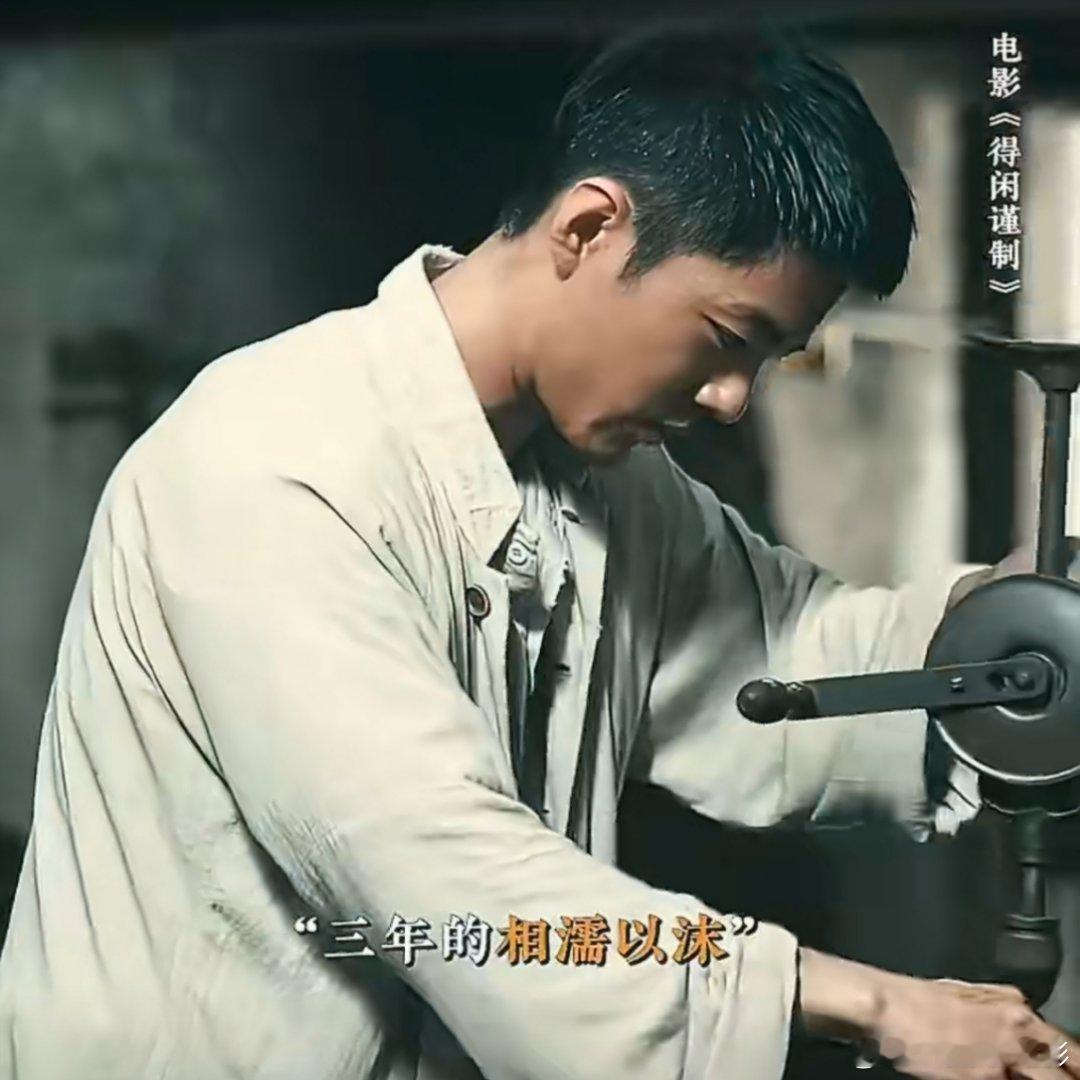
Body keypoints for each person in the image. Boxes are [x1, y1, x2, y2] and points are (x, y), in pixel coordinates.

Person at [0, 27, 1076, 1080]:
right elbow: (450, 878)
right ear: (589, 228)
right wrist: (872, 1002)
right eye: (726, 337)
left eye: (770, 359)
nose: (731, 399)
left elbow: (783, 664)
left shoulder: (611, 489)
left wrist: (1014, 622)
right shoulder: (271, 462)